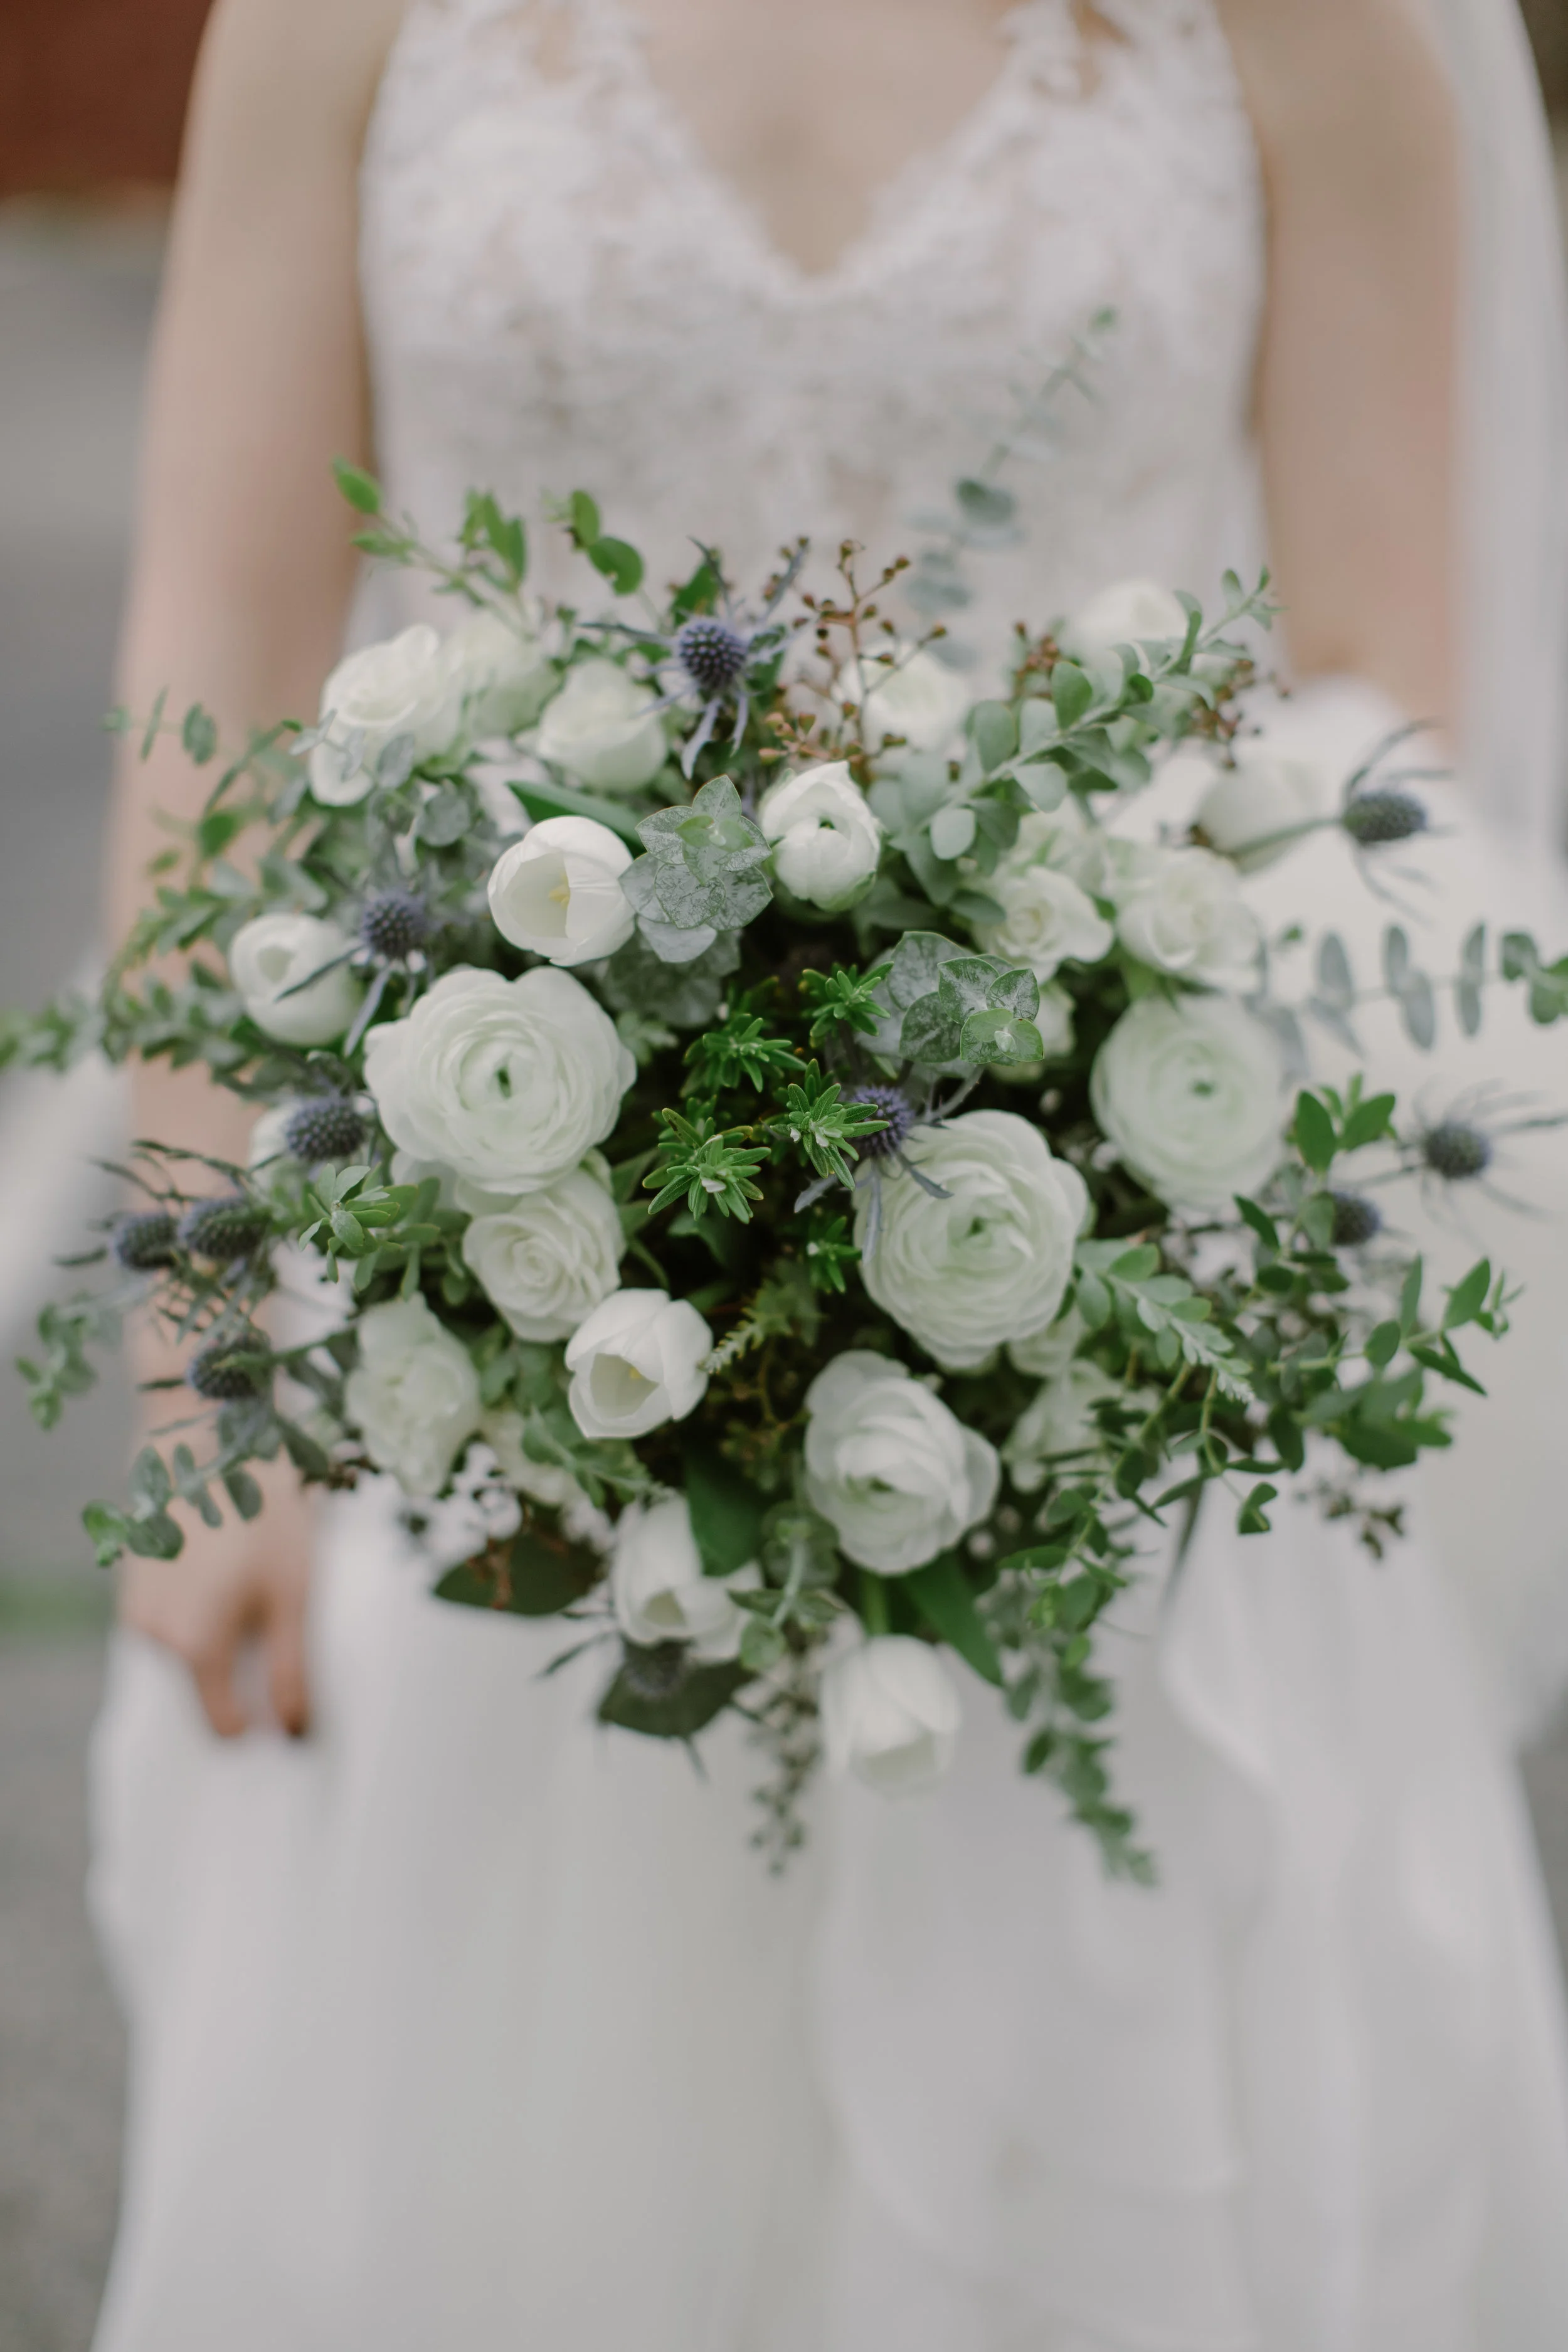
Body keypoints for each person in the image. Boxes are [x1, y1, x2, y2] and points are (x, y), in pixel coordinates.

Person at [86, 1, 1568, 2344]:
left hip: (1090, 1353)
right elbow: (228, 655)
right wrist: (203, 1361)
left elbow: (1377, 692)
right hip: (480, 1330)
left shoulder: (1320, 31)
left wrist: (1095, 1061)